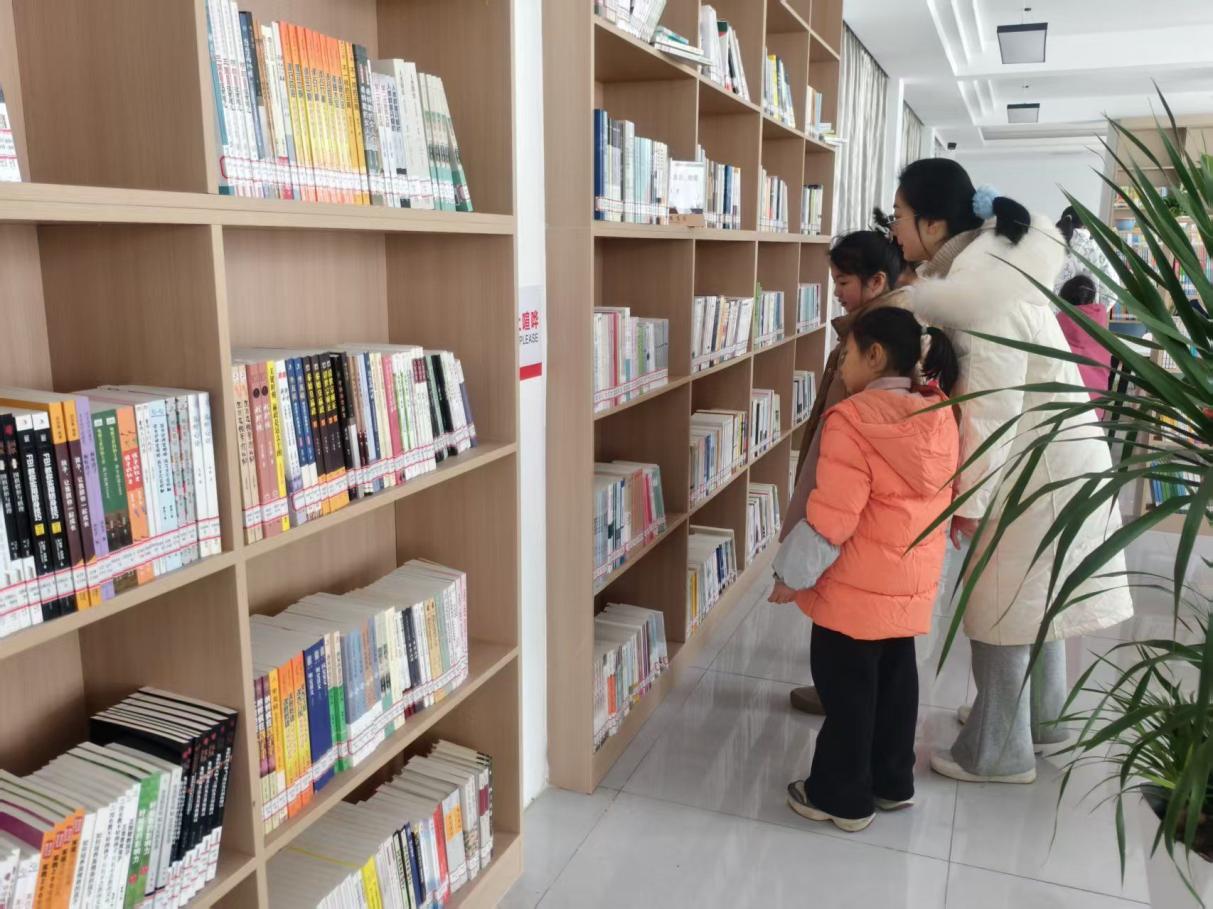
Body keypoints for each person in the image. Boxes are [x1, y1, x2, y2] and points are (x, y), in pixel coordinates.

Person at [889, 158, 1134, 784]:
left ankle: (998, 750)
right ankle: (1044, 721)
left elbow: (991, 409)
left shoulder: (979, 294)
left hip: (1031, 470)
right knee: (1035, 599)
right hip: (1056, 462)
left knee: (1000, 604)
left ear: (933, 223)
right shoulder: (990, 269)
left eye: (899, 215)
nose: (894, 228)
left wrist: (968, 503)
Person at [777, 307, 960, 831]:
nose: (841, 367)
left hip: (854, 592)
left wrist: (791, 576)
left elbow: (831, 519)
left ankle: (839, 796)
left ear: (875, 355)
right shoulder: (941, 414)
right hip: (908, 589)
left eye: (847, 355)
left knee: (847, 693)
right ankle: (892, 782)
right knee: (897, 686)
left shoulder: (852, 421)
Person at [772, 225, 912, 716]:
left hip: (848, 479)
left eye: (843, 282)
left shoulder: (880, 335)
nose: (836, 291)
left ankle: (840, 695)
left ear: (876, 282)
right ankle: (838, 690)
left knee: (841, 597)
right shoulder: (873, 325)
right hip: (840, 467)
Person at [1054, 274, 1111, 399]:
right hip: (1098, 399)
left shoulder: (1060, 320)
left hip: (1067, 400)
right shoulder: (1101, 317)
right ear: (1092, 297)